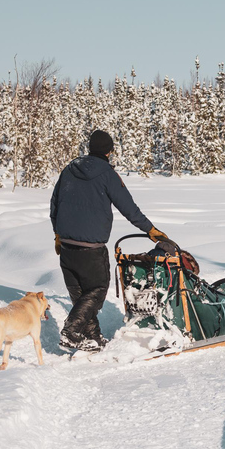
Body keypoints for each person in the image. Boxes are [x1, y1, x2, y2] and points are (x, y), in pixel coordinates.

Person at [50, 129, 169, 351]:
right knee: (96, 290)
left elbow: (54, 204)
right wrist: (150, 230)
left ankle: (94, 338)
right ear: (109, 151)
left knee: (80, 296)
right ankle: (71, 331)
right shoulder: (107, 174)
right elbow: (128, 208)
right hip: (91, 248)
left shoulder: (69, 169)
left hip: (66, 246)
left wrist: (57, 233)